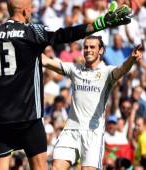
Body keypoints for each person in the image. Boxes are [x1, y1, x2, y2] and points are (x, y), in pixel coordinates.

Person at [0, 0, 133, 169]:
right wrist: (101, 23)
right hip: (28, 115)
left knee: (1, 166)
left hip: (0, 116)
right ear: (24, 10)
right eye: (31, 8)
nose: (32, 11)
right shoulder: (31, 32)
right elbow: (66, 34)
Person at [42, 35, 143, 170]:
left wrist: (131, 59)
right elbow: (48, 62)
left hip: (93, 134)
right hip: (71, 131)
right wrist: (26, 48)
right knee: (56, 167)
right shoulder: (75, 69)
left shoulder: (107, 72)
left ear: (101, 51)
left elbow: (122, 69)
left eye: (92, 47)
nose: (88, 50)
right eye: (85, 47)